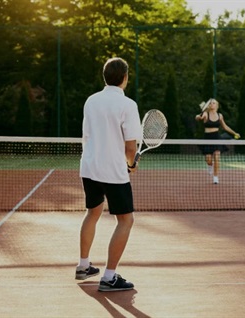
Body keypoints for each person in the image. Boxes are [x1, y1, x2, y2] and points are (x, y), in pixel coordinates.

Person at [76, 57, 142, 292]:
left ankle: (83, 265)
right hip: (113, 171)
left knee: (92, 212)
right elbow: (130, 147)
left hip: (89, 167)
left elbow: (89, 134)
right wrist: (132, 164)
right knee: (126, 220)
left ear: (105, 77)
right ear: (125, 78)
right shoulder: (128, 105)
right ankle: (109, 277)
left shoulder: (91, 101)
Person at [195, 98, 240, 184]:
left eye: (213, 103)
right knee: (208, 159)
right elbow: (199, 118)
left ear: (217, 105)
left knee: (217, 157)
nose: (212, 104)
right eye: (210, 103)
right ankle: (210, 165)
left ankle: (215, 177)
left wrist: (234, 133)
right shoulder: (205, 113)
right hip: (207, 138)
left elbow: (225, 127)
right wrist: (197, 117)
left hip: (217, 138)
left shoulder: (220, 116)